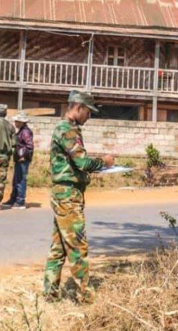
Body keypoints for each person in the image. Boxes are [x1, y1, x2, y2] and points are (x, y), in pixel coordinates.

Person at [44, 91, 114, 304]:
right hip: (68, 196)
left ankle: (50, 294)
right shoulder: (67, 130)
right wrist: (104, 163)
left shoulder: (66, 128)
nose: (89, 117)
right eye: (88, 112)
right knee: (77, 247)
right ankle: (85, 298)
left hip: (63, 194)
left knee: (58, 248)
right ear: (78, 108)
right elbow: (82, 163)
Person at [3, 113, 34, 209]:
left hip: (23, 160)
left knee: (20, 180)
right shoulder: (21, 131)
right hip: (19, 159)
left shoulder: (25, 132)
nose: (15, 123)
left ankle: (20, 201)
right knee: (16, 180)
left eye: (17, 121)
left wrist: (23, 156)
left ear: (21, 122)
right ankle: (13, 199)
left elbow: (30, 146)